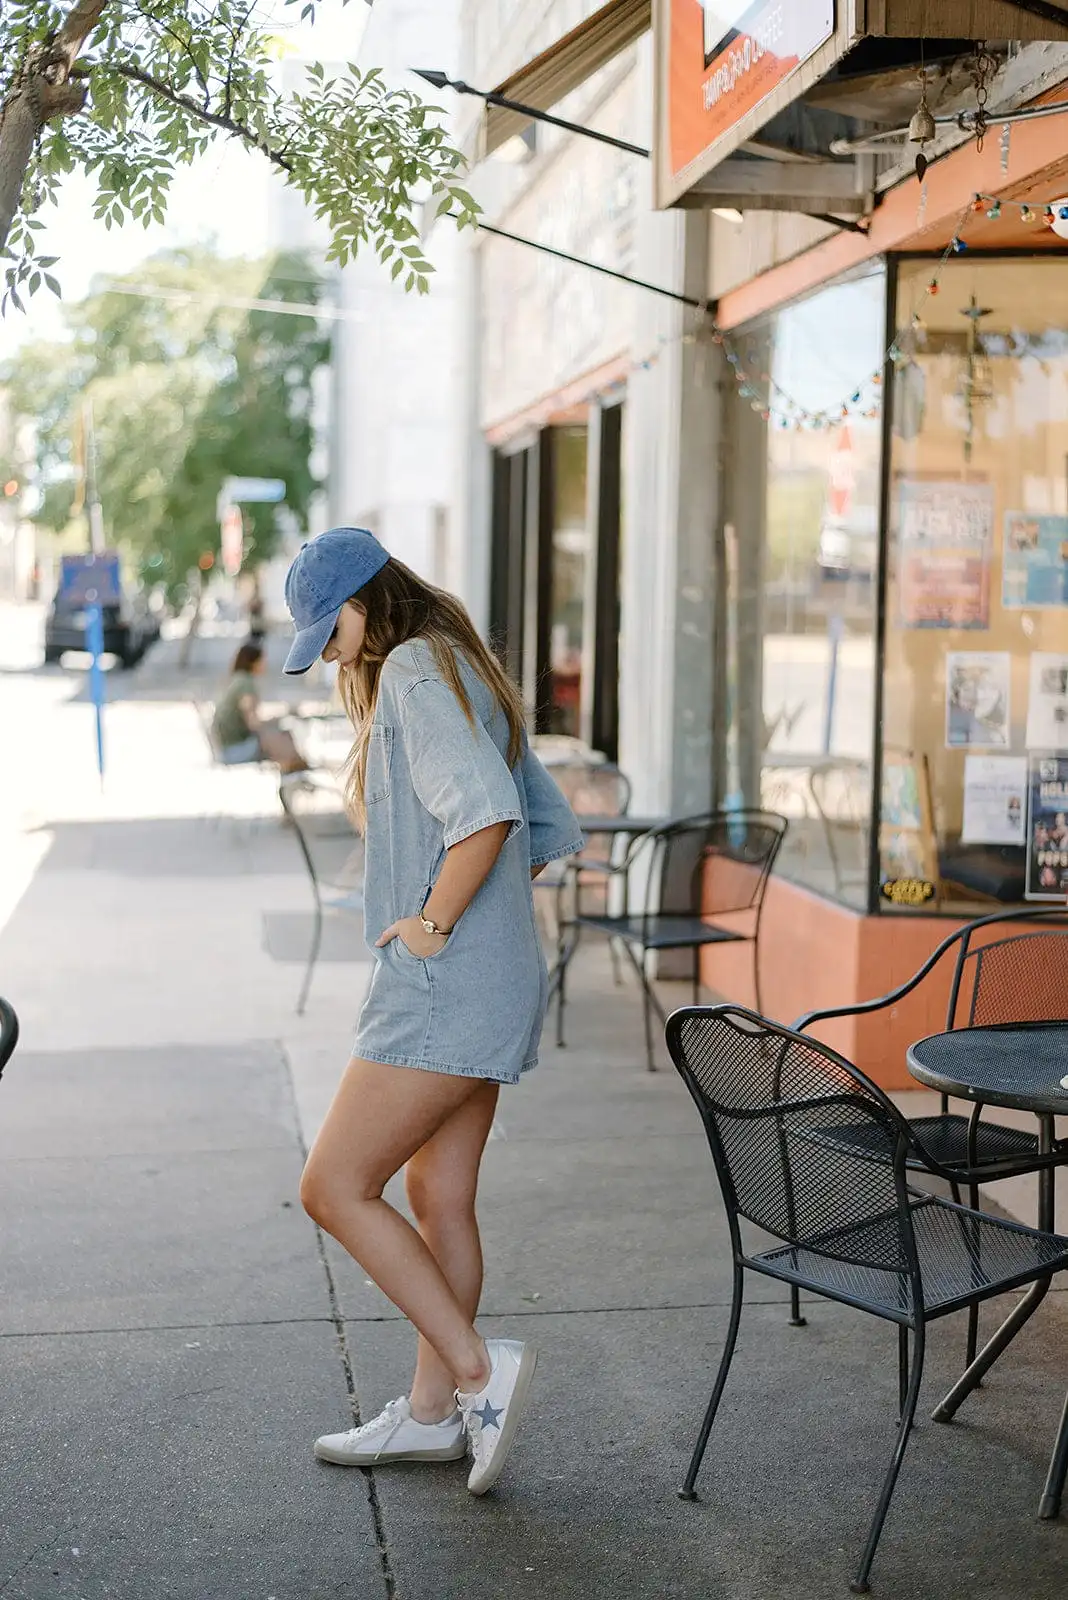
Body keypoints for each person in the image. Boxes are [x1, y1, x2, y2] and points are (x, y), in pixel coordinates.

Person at [282, 526, 583, 1496]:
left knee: (331, 1186)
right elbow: (538, 829)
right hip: (492, 974)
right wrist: (472, 925)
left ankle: (476, 1374)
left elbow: (490, 814)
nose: (332, 651)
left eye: (333, 629)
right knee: (438, 1197)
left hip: (443, 980)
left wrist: (429, 923)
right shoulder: (463, 661)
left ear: (373, 598)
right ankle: (425, 1418)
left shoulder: (412, 667)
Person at [212, 641, 308, 773]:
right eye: (263, 660)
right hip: (234, 750)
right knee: (280, 737)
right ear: (253, 662)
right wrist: (279, 718)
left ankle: (295, 772)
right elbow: (253, 723)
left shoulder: (236, 679)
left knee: (279, 736)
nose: (266, 664)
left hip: (226, 748)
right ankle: (295, 774)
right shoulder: (245, 684)